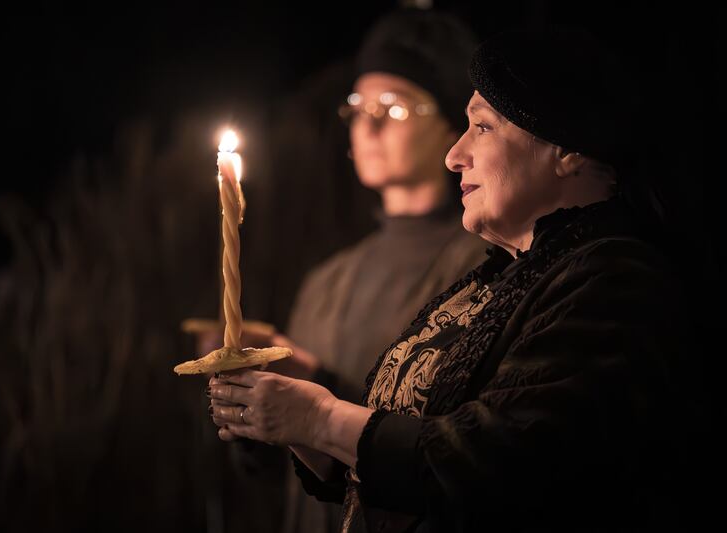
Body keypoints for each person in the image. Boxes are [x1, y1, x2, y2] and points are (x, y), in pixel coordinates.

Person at [208, 26, 702, 532]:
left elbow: (498, 461)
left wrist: (320, 417)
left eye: (482, 128)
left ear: (567, 146)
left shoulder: (616, 282)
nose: (455, 155)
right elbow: (390, 453)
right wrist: (291, 421)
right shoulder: (498, 277)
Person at [220, 8, 487, 533]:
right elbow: (297, 475)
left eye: (393, 106)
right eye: (357, 106)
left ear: (454, 126)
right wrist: (253, 418)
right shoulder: (329, 279)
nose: (367, 124)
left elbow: (452, 443)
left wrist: (316, 386)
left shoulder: (478, 265)